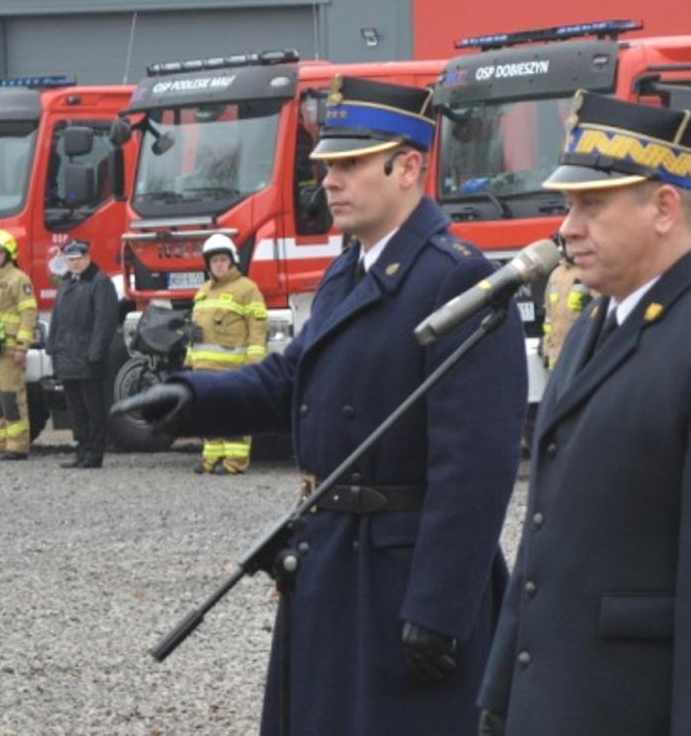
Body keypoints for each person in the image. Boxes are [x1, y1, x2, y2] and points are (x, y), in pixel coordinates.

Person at [113, 75, 526, 736]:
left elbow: (475, 464)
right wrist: (192, 398)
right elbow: (291, 379)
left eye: (350, 164)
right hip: (335, 558)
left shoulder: (457, 278)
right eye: (326, 166)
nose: (328, 181)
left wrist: (441, 604)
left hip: (399, 572)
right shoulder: (350, 268)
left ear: (408, 166)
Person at [477, 92, 691, 736]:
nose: (567, 228)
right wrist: (500, 697)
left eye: (591, 205)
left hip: (642, 707)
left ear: (663, 208)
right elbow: (545, 540)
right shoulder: (593, 326)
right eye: (568, 206)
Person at [188, 233, 269, 474]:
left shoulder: (247, 289)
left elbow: (258, 326)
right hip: (203, 368)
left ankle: (235, 462)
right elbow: (195, 331)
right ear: (208, 265)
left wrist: (255, 361)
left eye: (223, 260)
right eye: (215, 261)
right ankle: (211, 458)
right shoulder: (203, 290)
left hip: (233, 368)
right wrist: (189, 358)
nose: (219, 265)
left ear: (232, 261)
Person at [49, 240, 119, 470]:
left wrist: (96, 351)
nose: (75, 263)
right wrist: (52, 348)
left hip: (89, 359)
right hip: (67, 358)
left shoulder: (100, 283)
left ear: (88, 258)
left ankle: (94, 452)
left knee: (93, 408)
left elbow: (105, 320)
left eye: (78, 258)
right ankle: (81, 449)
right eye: (70, 259)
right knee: (76, 409)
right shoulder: (66, 283)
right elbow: (57, 320)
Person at [0, 229, 39, 461]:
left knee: (12, 398)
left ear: (9, 253)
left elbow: (28, 313)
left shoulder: (19, 279)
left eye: (0, 253)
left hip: (8, 350)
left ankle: (17, 446)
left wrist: (22, 346)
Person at [538, 254, 589, 370]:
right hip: (556, 358)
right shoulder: (556, 274)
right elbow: (549, 316)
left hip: (580, 355)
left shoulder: (590, 271)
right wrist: (547, 348)